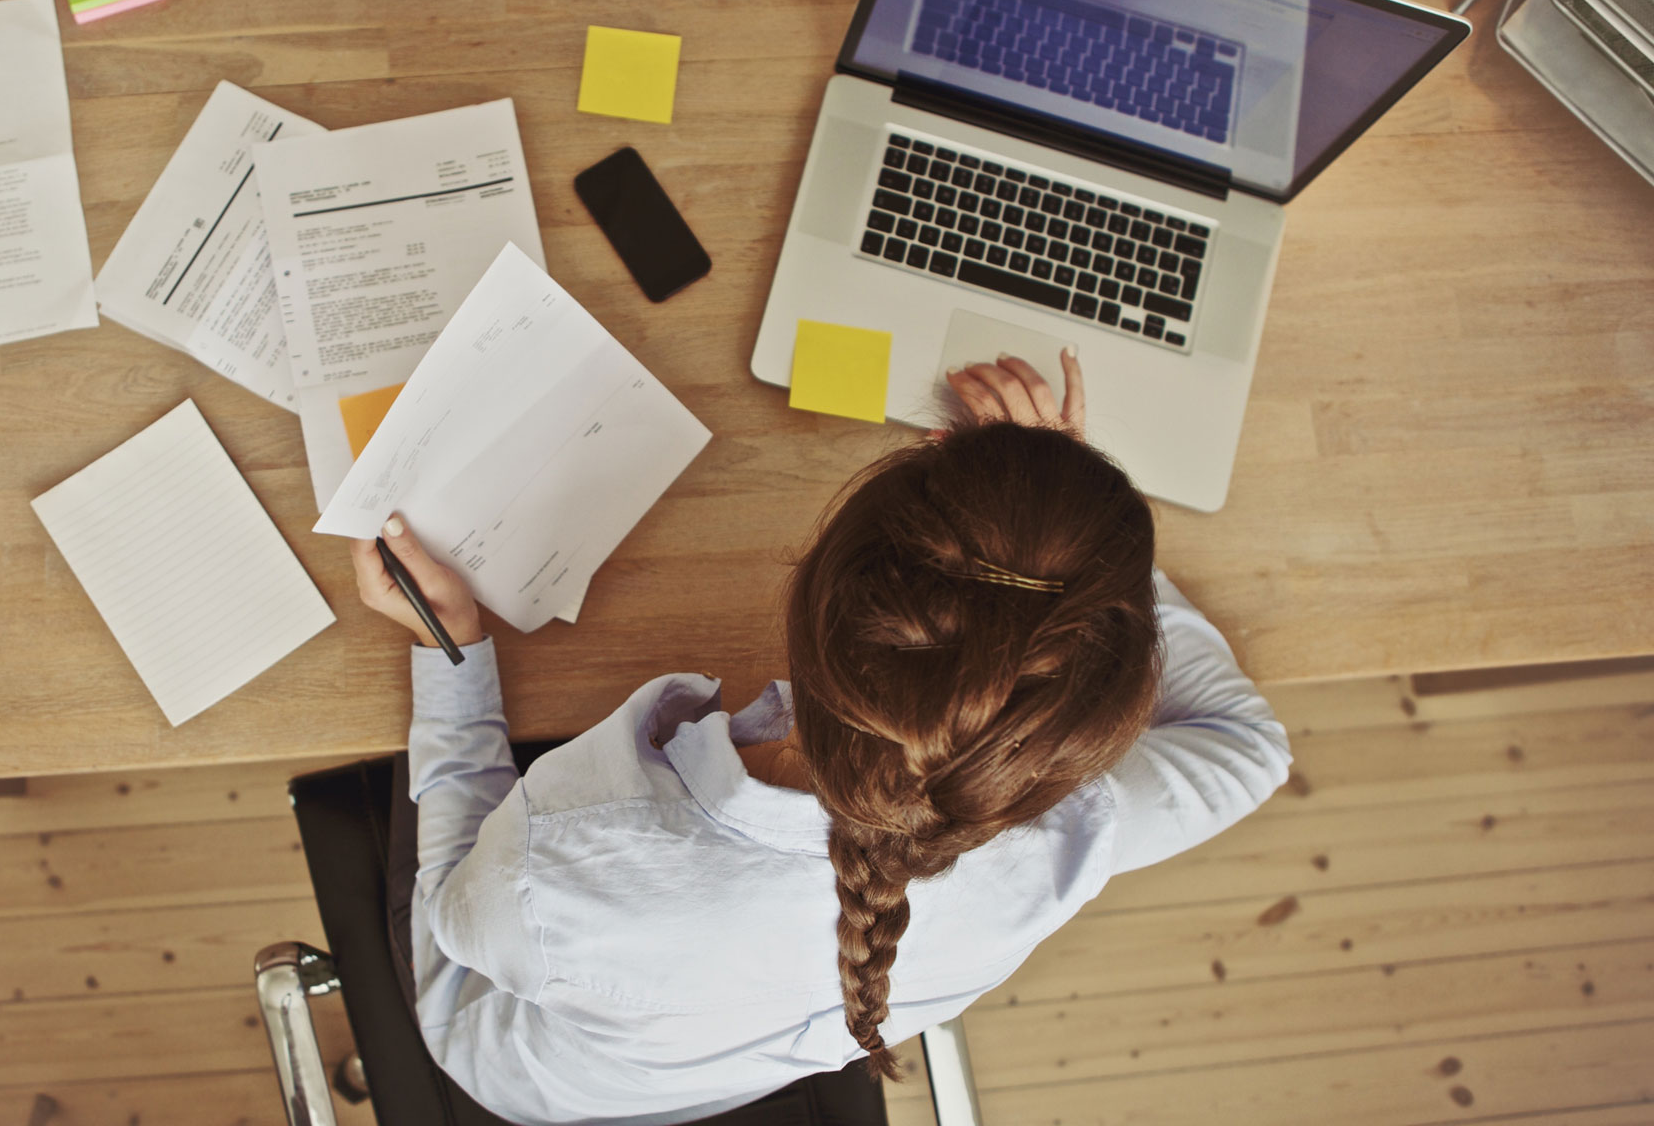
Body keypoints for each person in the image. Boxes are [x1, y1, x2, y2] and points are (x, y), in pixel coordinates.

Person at [351, 351, 1291, 1126]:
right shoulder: (1068, 843)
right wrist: (1069, 549)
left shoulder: (560, 860)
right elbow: (1249, 751)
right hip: (727, 1066)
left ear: (807, 585)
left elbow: (456, 922)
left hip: (512, 1066)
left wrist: (456, 655)